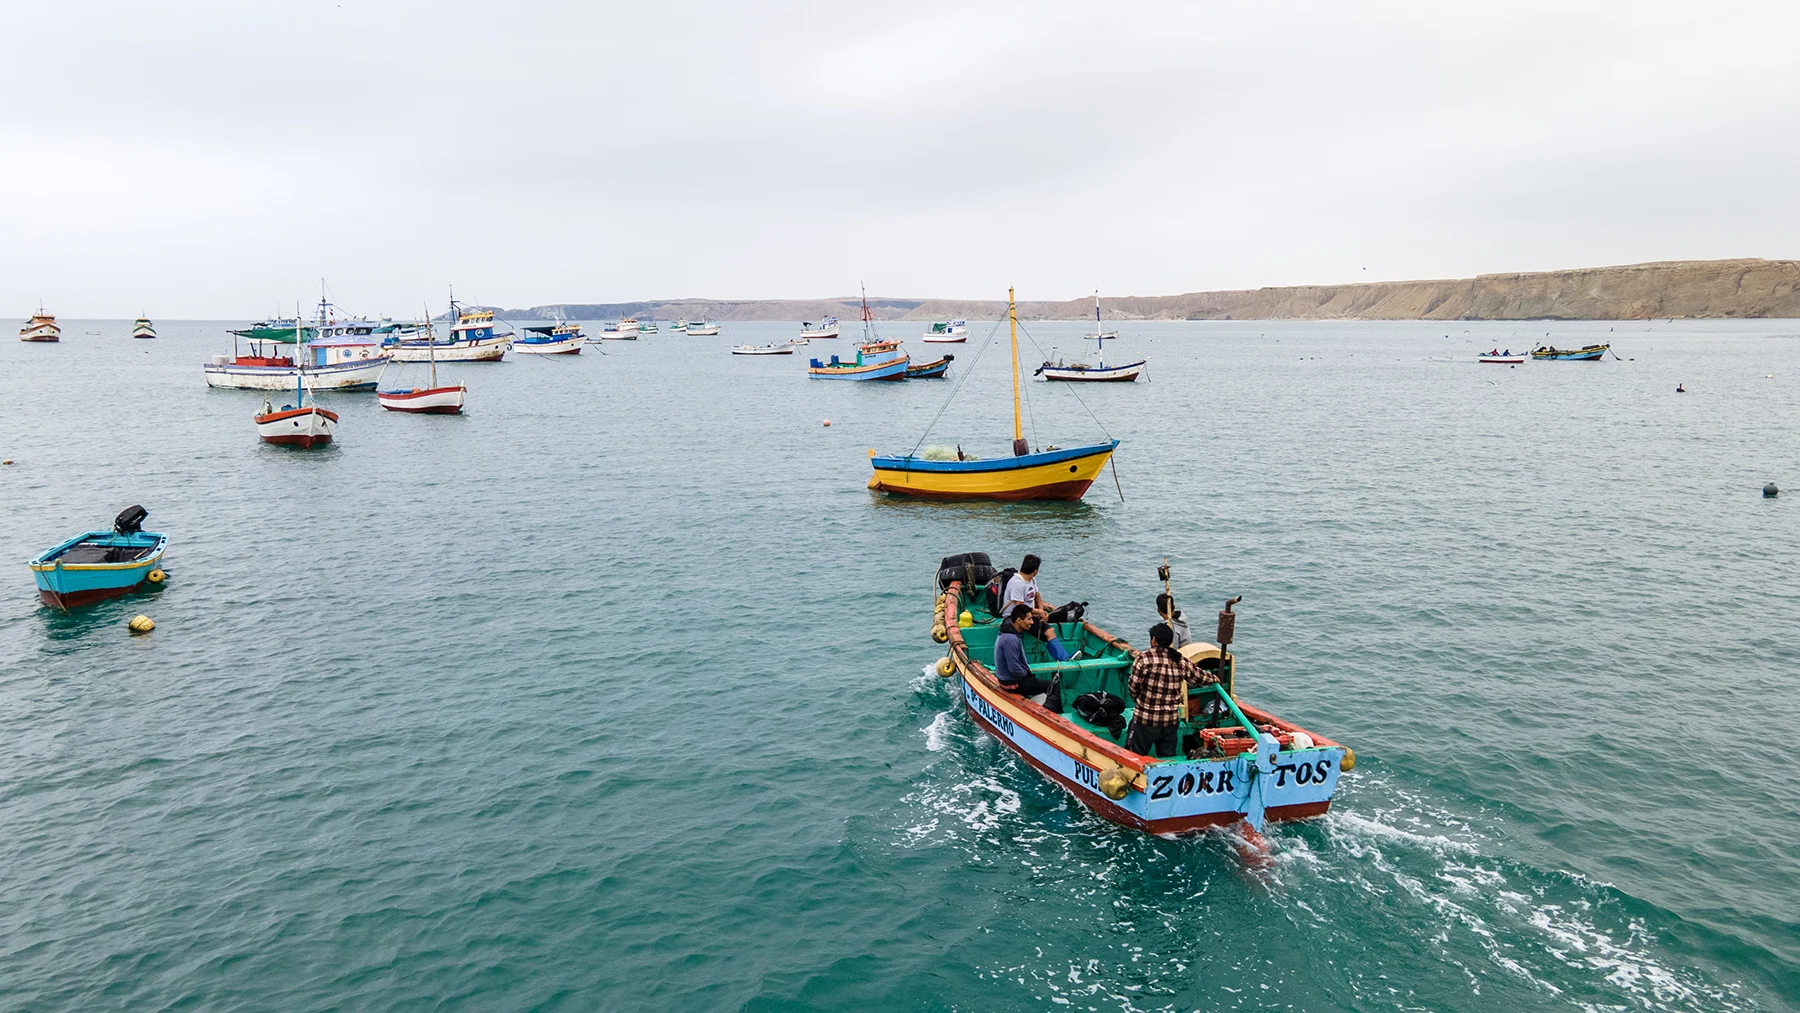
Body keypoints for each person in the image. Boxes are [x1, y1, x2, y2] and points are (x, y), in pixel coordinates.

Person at [1125, 623, 1213, 758]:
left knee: (1134, 755)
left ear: (1153, 640)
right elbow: (1199, 677)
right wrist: (1215, 678)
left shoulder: (1144, 658)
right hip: (1170, 721)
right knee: (1167, 756)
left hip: (1145, 720)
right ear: (1171, 641)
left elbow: (1133, 687)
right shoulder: (1180, 660)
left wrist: (1139, 701)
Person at [1003, 554, 1072, 662]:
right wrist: (1038, 611)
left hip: (1029, 615)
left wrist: (1041, 612)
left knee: (1050, 631)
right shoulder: (1017, 583)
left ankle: (1064, 658)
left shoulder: (1032, 581)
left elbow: (1037, 597)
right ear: (1035, 571)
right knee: (1013, 637)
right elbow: (1019, 606)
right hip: (1014, 616)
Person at [993, 605, 1053, 698]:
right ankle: (1055, 707)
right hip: (1012, 683)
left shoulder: (1009, 633)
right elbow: (1014, 669)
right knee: (1052, 685)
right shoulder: (1010, 639)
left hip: (1011, 679)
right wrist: (1026, 673)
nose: (1032, 622)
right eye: (1029, 619)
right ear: (1019, 620)